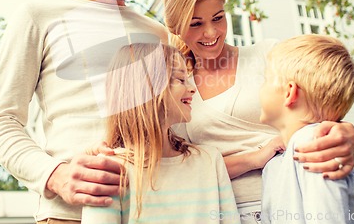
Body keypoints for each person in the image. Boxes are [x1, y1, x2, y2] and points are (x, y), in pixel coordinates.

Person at [0, 0, 168, 223]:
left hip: (156, 210)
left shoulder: (158, 34)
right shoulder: (38, 16)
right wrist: (55, 175)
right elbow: (0, 124)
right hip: (71, 215)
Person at [163, 0, 354, 223]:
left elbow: (323, 98)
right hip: (225, 211)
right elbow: (186, 168)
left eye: (218, 18)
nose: (211, 33)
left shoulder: (267, 55)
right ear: (175, 28)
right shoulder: (179, 90)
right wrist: (254, 158)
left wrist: (345, 130)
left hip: (294, 198)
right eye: (196, 24)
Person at [82, 43, 240, 223]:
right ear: (146, 89)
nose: (192, 88)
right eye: (181, 80)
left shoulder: (210, 160)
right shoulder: (108, 172)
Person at [259, 34, 354, 223]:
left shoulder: (315, 146)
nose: (260, 88)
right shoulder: (275, 164)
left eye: (266, 80)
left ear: (289, 92)